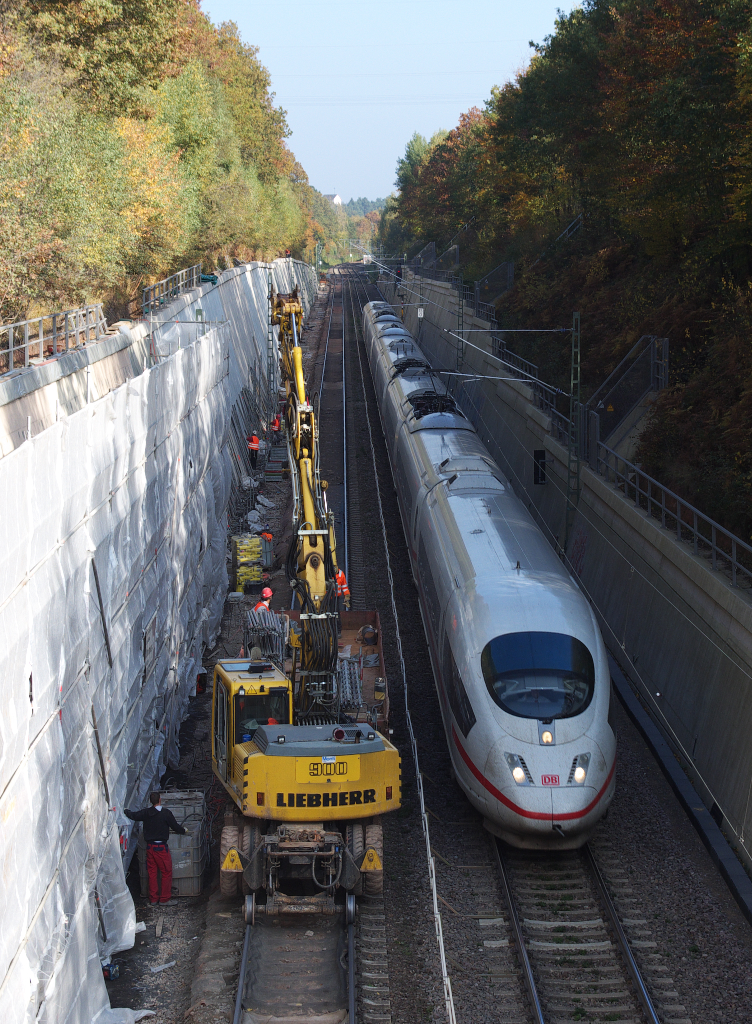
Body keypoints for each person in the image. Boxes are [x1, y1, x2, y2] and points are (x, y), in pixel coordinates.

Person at [124, 793, 187, 906]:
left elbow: (133, 816)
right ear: (160, 800)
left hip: (150, 848)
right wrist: (184, 830)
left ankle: (153, 899)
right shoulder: (166, 813)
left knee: (152, 873)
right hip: (161, 848)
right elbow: (175, 827)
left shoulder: (146, 813)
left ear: (150, 801)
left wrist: (124, 810)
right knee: (166, 872)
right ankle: (164, 899)